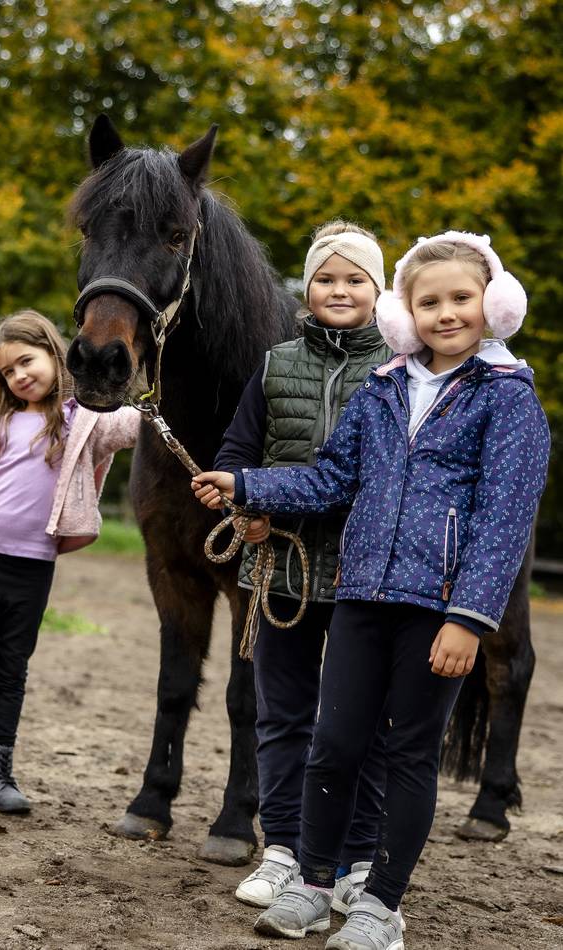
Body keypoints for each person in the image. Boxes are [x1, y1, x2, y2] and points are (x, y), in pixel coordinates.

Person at [193, 231, 549, 949]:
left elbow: (505, 522)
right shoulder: (385, 388)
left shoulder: (509, 399)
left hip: (438, 608)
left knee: (407, 754)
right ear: (403, 312)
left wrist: (470, 619)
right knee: (334, 743)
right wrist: (248, 484)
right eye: (429, 302)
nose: (446, 313)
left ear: (494, 304)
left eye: (461, 298)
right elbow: (330, 478)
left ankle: (381, 904)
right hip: (361, 595)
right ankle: (315, 884)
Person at [212, 222, 393, 917]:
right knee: (282, 714)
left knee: (361, 722)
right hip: (281, 569)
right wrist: (243, 509)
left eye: (355, 278)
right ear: (307, 289)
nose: (339, 290)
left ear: (379, 291)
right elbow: (236, 451)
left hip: (366, 575)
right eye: (326, 278)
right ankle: (283, 846)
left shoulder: (400, 368)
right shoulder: (274, 363)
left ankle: (354, 858)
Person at [0, 310, 138, 815]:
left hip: (34, 565)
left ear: (54, 353)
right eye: (7, 371)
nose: (19, 376)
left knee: (12, 669)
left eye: (26, 362)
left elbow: (133, 423)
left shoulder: (79, 421)